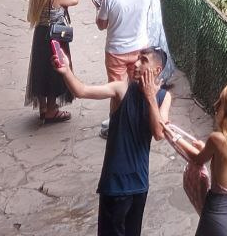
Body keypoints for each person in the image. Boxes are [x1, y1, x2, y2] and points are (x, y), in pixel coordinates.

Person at [52, 46, 171, 236]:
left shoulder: (163, 97)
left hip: (139, 184)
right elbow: (82, 91)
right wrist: (66, 70)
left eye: (144, 60)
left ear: (157, 70)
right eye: (138, 58)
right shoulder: (121, 88)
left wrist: (150, 97)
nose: (137, 63)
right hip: (115, 185)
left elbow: (159, 133)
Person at [170, 83, 227, 236]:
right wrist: (206, 149)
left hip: (218, 211)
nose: (216, 105)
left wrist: (175, 136)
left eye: (221, 102)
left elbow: (198, 160)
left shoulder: (218, 140)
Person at [25, 0, 79, 123]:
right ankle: (51, 110)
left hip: (40, 35)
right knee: (55, 70)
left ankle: (42, 107)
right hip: (54, 37)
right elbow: (75, 0)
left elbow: (31, 17)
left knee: (41, 70)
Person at [96, 0, 153, 82]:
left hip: (116, 51)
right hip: (140, 46)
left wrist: (98, 8)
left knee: (118, 91)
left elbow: (101, 25)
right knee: (139, 86)